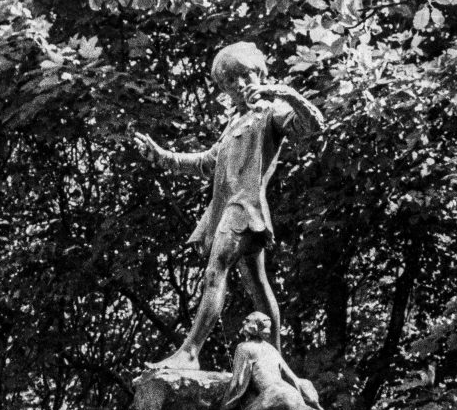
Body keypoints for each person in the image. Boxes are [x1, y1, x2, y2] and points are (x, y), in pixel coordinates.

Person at [134, 41, 323, 370]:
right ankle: (276, 362)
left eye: (242, 76)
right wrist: (161, 156)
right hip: (227, 210)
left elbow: (314, 127)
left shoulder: (272, 111)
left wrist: (284, 93)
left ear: (258, 73)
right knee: (258, 286)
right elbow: (205, 162)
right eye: (228, 83)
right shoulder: (235, 124)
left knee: (215, 271)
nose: (237, 85)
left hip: (245, 209)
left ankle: (190, 352)